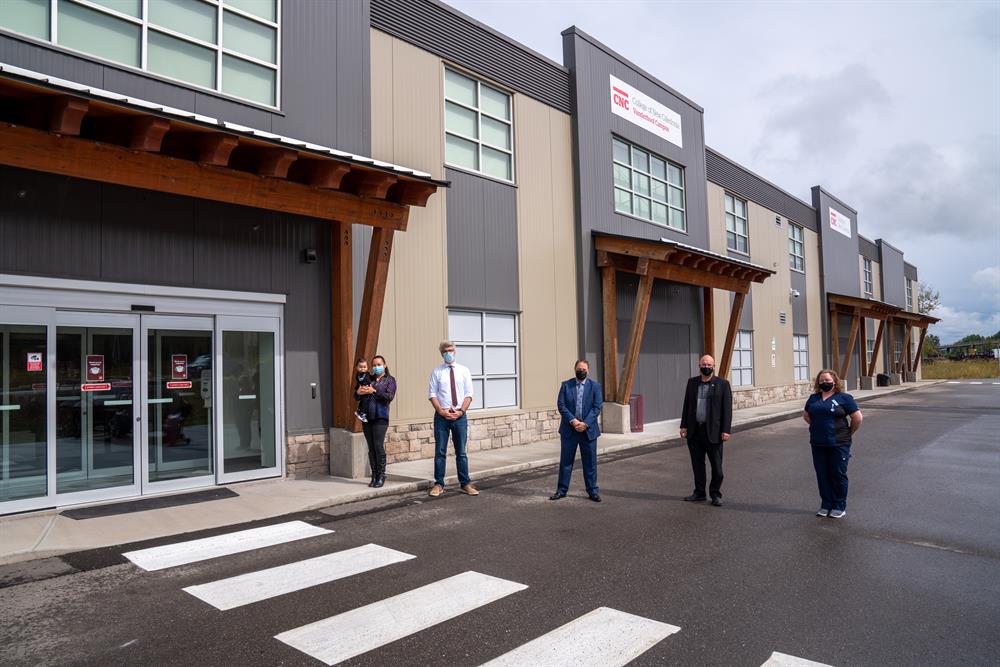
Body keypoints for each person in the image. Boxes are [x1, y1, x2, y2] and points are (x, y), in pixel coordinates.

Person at [803, 369, 862, 518]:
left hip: (839, 444)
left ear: (835, 381)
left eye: (827, 380)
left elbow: (857, 418)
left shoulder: (844, 398)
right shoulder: (813, 398)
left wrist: (848, 433)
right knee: (822, 475)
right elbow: (806, 416)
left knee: (838, 474)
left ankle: (839, 506)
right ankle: (826, 504)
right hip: (818, 443)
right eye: (821, 380)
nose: (824, 383)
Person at [679, 354, 732, 507]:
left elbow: (727, 410)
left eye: (709, 365)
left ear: (713, 366)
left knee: (717, 467)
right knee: (697, 464)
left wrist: (726, 430)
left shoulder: (722, 384)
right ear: (699, 365)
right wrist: (684, 425)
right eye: (704, 364)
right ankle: (699, 492)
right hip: (695, 431)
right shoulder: (692, 383)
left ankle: (715, 494)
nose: (706, 367)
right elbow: (687, 405)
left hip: (714, 432)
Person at [427, 341, 476, 497]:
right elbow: (432, 394)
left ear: (455, 351)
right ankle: (439, 484)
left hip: (460, 416)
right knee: (440, 452)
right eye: (446, 351)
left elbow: (469, 395)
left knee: (461, 452)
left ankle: (465, 483)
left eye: (451, 350)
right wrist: (441, 411)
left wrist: (461, 411)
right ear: (442, 354)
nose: (449, 352)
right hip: (442, 417)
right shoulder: (437, 372)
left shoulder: (464, 371)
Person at [550, 359, 603, 502]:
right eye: (579, 369)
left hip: (588, 431)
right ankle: (561, 491)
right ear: (574, 369)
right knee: (566, 462)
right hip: (570, 430)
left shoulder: (595, 387)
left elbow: (597, 407)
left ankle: (592, 491)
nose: (582, 371)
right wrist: (574, 421)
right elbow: (561, 405)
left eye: (584, 369)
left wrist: (585, 423)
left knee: (590, 463)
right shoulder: (566, 385)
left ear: (588, 371)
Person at [356, 355, 396, 488]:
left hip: (381, 417)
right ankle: (374, 475)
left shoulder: (390, 380)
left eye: (379, 364)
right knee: (371, 447)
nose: (376, 367)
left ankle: (381, 475)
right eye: (374, 365)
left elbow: (389, 397)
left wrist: (374, 390)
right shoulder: (368, 378)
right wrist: (359, 392)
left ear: (384, 365)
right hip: (367, 417)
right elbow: (356, 395)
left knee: (378, 446)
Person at [353, 358, 373, 424]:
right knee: (363, 400)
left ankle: (361, 411)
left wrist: (368, 387)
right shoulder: (357, 375)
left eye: (364, 367)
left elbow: (369, 381)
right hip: (362, 389)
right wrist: (358, 389)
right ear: (356, 367)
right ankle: (361, 412)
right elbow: (358, 382)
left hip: (367, 388)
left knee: (366, 400)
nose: (362, 369)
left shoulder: (367, 374)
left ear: (367, 367)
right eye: (360, 367)